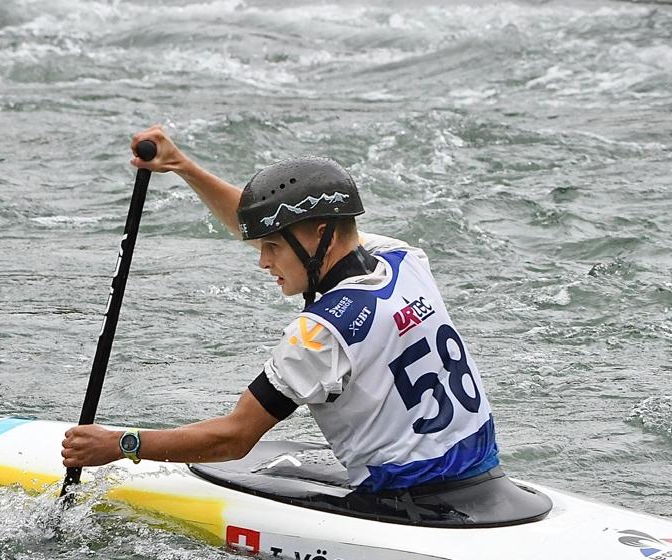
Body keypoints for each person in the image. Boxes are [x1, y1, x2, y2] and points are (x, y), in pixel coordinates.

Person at [60, 126, 499, 494]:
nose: (262, 261)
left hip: (406, 496)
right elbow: (270, 226)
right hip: (481, 469)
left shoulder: (320, 334)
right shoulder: (402, 261)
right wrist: (183, 168)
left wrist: (120, 444)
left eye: (271, 248)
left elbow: (234, 439)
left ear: (320, 236)